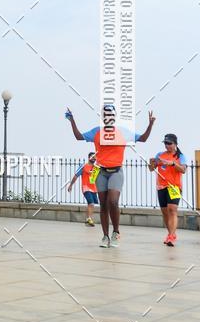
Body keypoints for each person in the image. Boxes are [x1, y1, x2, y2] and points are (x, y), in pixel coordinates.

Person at [65, 104, 155, 248]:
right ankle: (105, 236)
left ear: (114, 116)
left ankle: (116, 232)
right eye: (105, 114)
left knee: (113, 201)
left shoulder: (122, 132)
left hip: (116, 172)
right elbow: (78, 136)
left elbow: (142, 139)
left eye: (110, 114)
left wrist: (150, 124)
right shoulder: (97, 131)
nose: (108, 117)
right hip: (101, 172)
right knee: (103, 205)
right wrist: (72, 120)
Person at [149, 133, 187, 247]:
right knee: (165, 212)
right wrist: (151, 162)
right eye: (165, 143)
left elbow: (183, 170)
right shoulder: (160, 154)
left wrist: (172, 163)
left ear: (175, 144)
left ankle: (171, 236)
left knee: (172, 209)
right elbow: (151, 169)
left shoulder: (180, 156)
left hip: (174, 186)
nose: (167, 145)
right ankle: (170, 234)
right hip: (161, 186)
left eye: (169, 143)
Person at [68, 152, 98, 225]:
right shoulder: (83, 166)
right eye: (92, 156)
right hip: (86, 188)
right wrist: (71, 185)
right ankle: (89, 219)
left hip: (94, 189)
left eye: (95, 157)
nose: (94, 158)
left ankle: (88, 219)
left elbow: (95, 179)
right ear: (89, 157)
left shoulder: (96, 168)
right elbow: (76, 175)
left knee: (91, 204)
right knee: (91, 203)